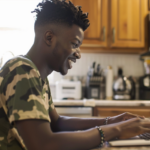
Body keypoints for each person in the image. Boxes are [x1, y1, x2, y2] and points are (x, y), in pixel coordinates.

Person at [0, 0, 150, 150]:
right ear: (49, 38)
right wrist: (117, 130)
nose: (78, 54)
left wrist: (110, 121)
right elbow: (44, 144)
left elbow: (57, 123)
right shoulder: (21, 70)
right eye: (74, 44)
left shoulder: (38, 77)